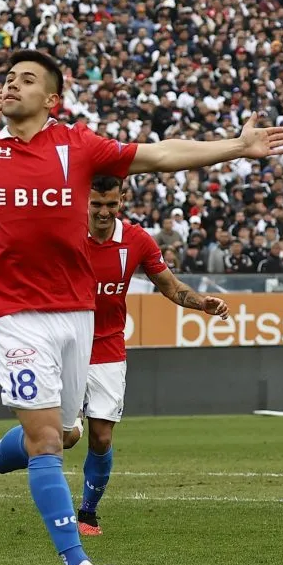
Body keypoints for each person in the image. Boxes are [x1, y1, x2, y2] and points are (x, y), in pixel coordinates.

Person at [0, 49, 283, 565]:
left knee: (66, 435)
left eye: (26, 79)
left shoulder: (77, 146)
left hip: (77, 315)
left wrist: (237, 147)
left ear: (51, 98)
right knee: (48, 439)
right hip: (15, 315)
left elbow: (162, 154)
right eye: (7, 78)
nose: (11, 85)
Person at [71, 176, 229, 536]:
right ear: (85, 201)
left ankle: (87, 514)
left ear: (122, 200)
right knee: (65, 436)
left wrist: (202, 303)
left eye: (111, 204)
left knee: (102, 437)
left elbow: (171, 287)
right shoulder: (65, 232)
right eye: (96, 204)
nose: (103, 211)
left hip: (108, 344)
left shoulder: (136, 240)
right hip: (65, 341)